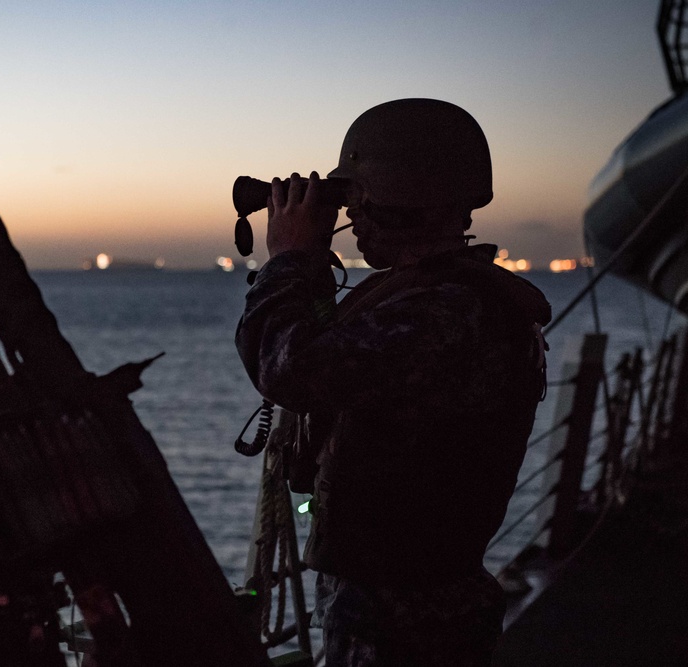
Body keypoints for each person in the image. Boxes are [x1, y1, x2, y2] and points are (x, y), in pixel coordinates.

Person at [235, 98, 552, 666]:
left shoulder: (447, 311)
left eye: (355, 199)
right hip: (407, 602)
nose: (349, 219)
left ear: (387, 205)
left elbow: (287, 367)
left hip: (402, 618)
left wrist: (288, 256)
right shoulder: (443, 298)